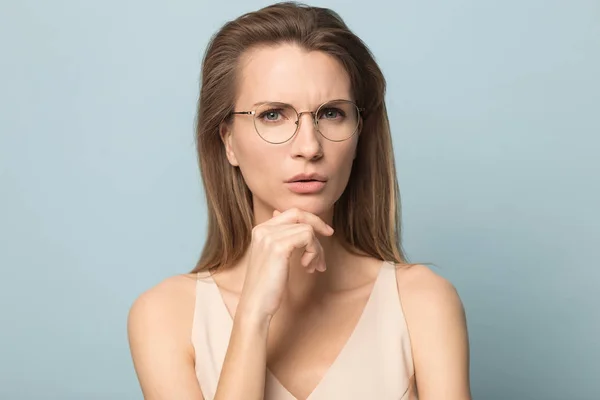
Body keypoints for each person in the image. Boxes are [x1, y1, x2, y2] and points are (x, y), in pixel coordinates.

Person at [127, 2, 471, 399]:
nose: (309, 146)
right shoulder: (166, 316)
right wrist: (252, 317)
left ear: (360, 133)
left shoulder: (422, 303)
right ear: (228, 142)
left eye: (331, 113)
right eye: (273, 115)